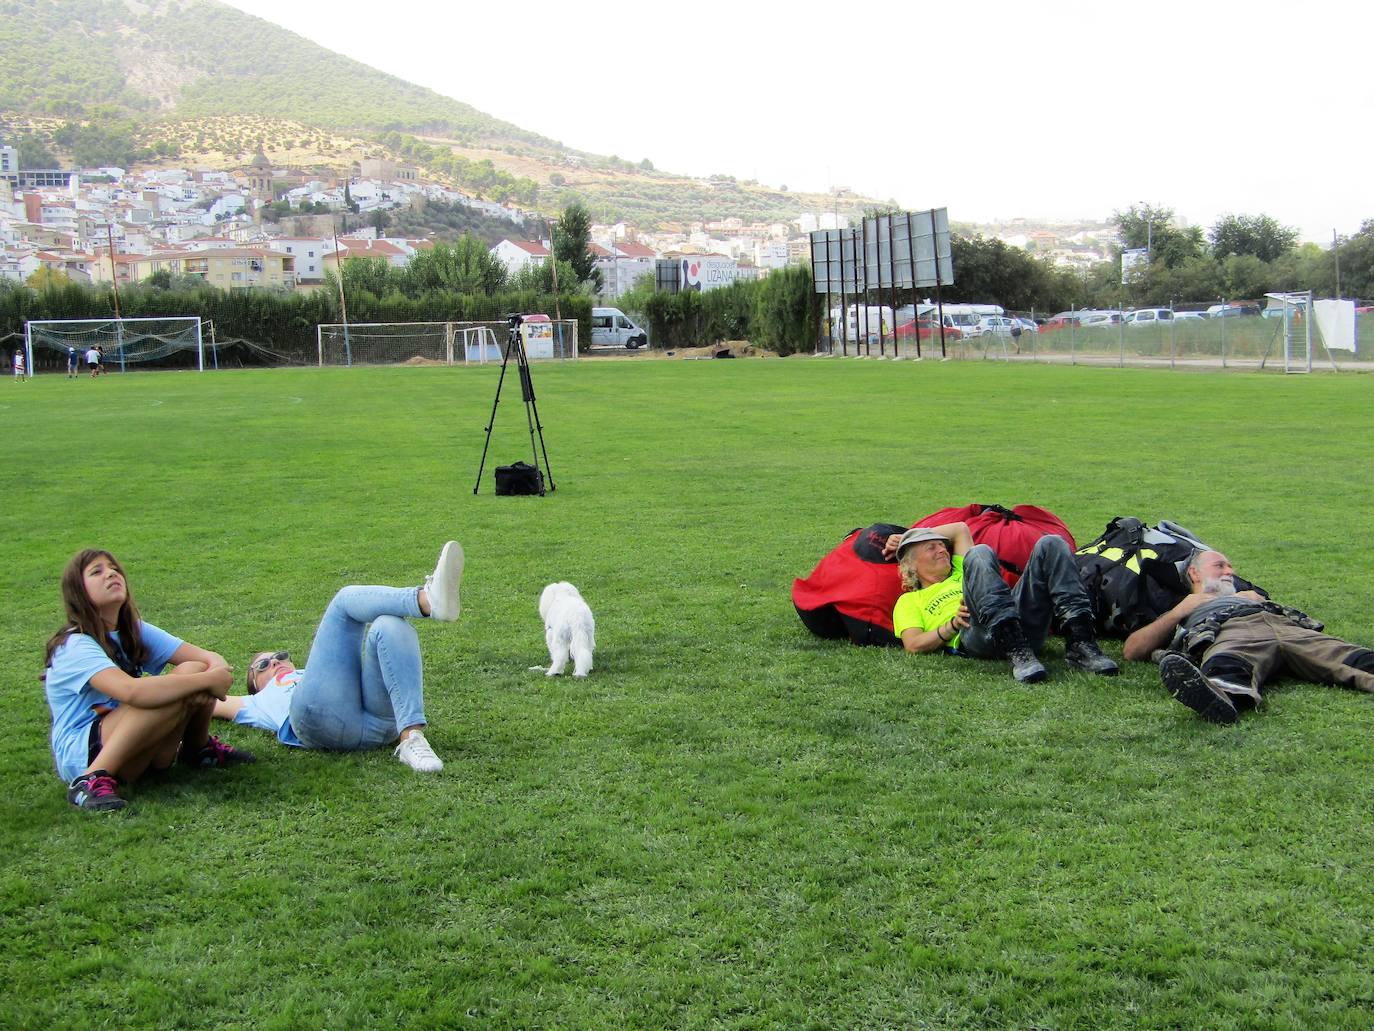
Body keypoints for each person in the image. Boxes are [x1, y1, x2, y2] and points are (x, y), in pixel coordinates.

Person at [212, 541, 464, 772]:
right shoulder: (254, 702)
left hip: (380, 724)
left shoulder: (315, 675)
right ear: (255, 685)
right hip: (320, 723)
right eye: (262, 665)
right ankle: (426, 601)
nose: (275, 662)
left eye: (279, 656)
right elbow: (208, 703)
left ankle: (412, 738)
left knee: (389, 623)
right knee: (343, 602)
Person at [43, 549, 253, 812]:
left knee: (192, 670)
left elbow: (207, 658)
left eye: (114, 569)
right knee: (180, 684)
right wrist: (207, 680)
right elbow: (131, 692)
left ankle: (197, 750)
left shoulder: (133, 629)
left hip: (136, 744)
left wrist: (214, 672)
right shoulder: (74, 645)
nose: (111, 574)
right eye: (97, 572)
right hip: (85, 752)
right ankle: (91, 779)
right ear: (78, 593)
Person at [1123, 549, 1374, 724]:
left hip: (1284, 625)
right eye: (1219, 565)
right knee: (1228, 662)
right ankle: (1220, 698)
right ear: (1194, 574)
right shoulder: (1186, 605)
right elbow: (1132, 650)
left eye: (1231, 566)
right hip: (1230, 632)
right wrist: (1179, 612)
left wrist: (1259, 600)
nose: (1229, 571)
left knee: (1348, 654)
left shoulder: (1252, 595)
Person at [887, 522, 1119, 682]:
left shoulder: (958, 569)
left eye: (942, 545)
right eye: (931, 547)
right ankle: (1016, 651)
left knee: (1052, 543)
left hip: (1017, 621)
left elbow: (960, 529)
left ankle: (1081, 644)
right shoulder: (910, 601)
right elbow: (913, 644)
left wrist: (909, 535)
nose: (942, 549)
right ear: (912, 564)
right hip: (977, 634)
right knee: (979, 553)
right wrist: (952, 626)